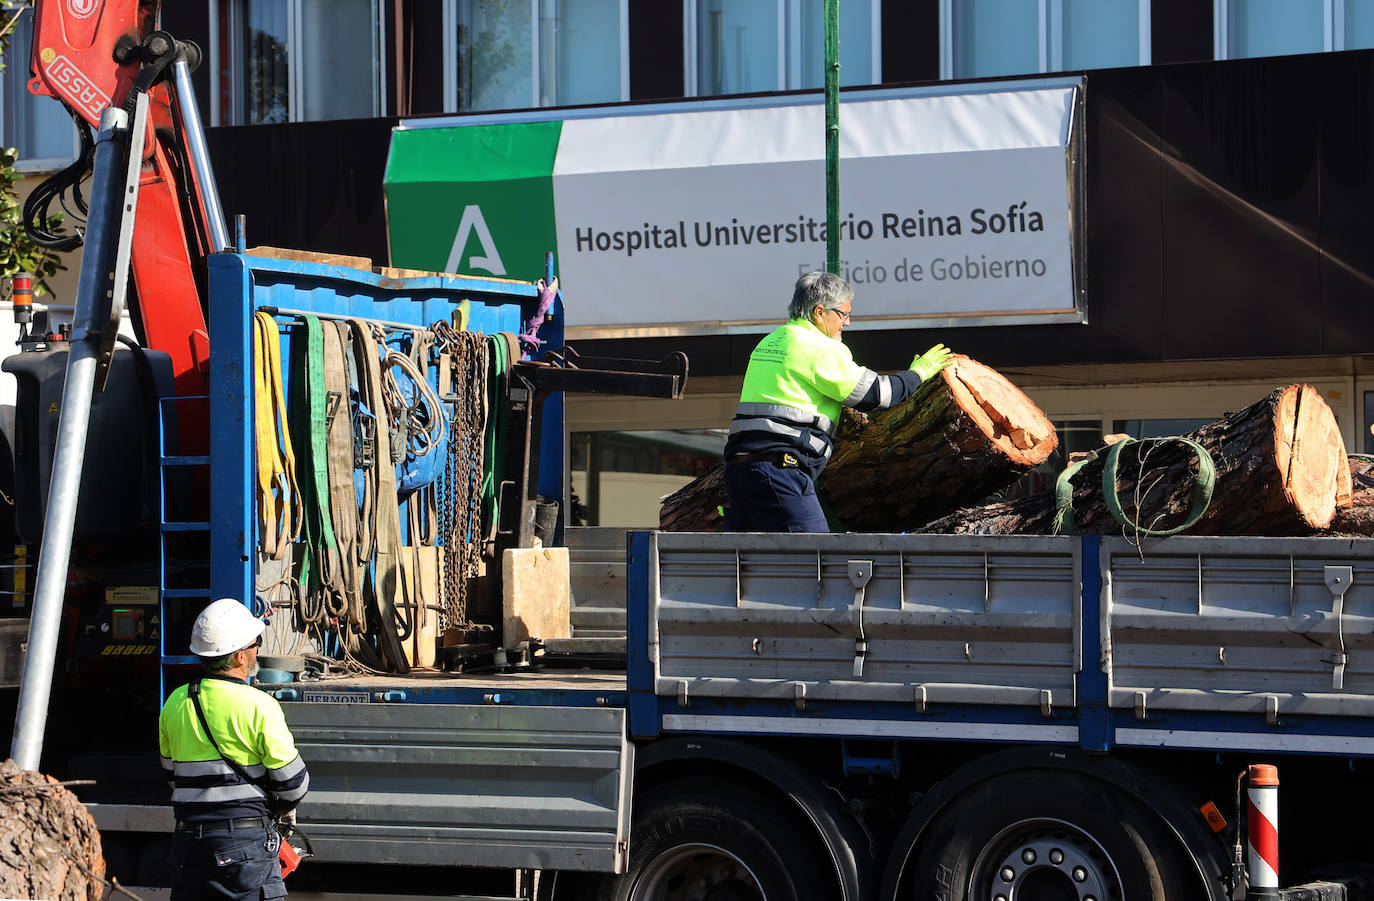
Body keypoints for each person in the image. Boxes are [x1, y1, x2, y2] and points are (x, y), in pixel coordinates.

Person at [723, 270, 954, 532]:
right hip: (780, 471)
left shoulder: (770, 341)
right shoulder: (818, 348)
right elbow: (878, 395)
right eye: (843, 314)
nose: (848, 322)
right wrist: (919, 372)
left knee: (744, 555)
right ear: (819, 312)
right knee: (815, 554)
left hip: (738, 471)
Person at [159, 599, 310, 901]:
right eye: (256, 644)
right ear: (241, 656)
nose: (257, 650)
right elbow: (293, 783)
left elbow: (173, 775)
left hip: (188, 844)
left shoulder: (175, 701)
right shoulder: (259, 705)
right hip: (243, 845)